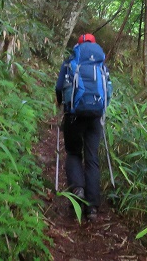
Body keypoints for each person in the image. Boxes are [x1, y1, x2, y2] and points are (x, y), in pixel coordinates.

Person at [55, 33, 111, 222]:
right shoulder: (101, 65)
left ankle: (77, 189)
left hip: (73, 115)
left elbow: (58, 87)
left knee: (73, 152)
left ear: (78, 46)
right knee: (92, 158)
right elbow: (108, 91)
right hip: (95, 117)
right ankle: (92, 208)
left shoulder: (70, 62)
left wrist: (61, 104)